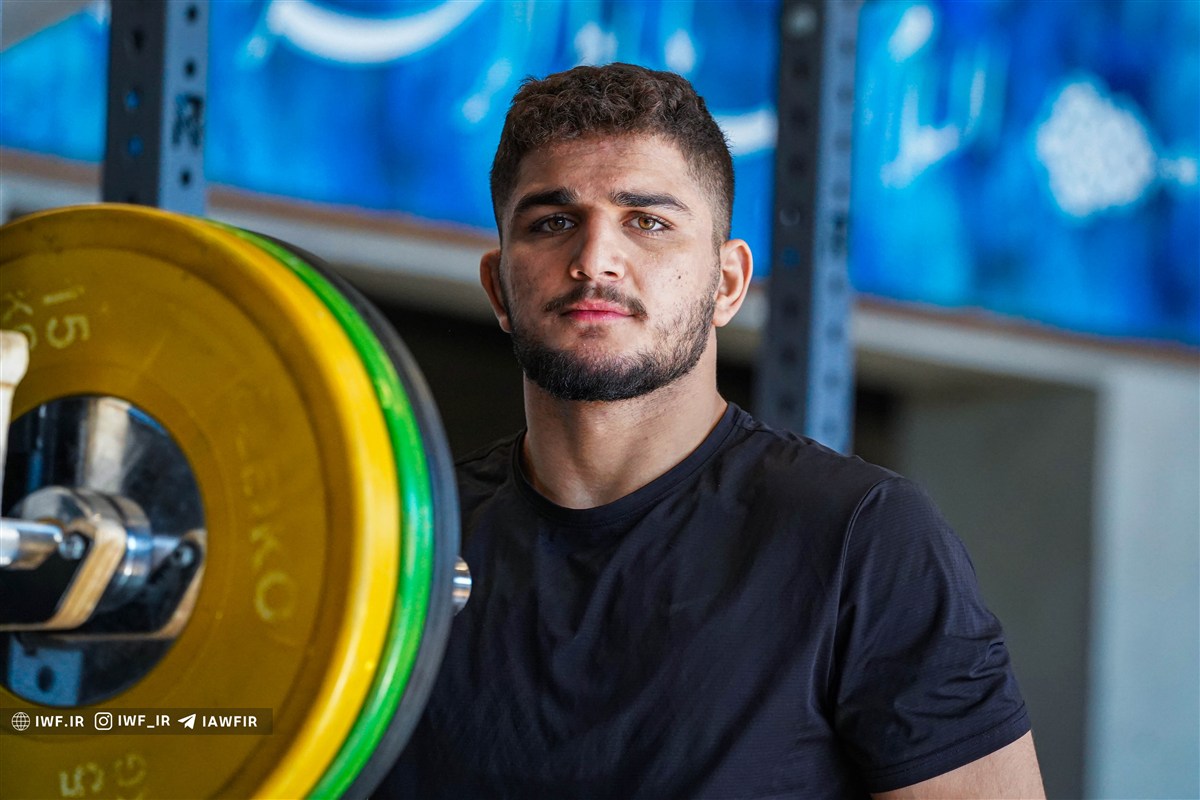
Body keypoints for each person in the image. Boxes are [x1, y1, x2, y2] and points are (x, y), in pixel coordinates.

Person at [382, 63, 1044, 799]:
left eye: (648, 221)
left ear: (727, 283)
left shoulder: (861, 539)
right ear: (499, 287)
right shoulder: (409, 541)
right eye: (553, 222)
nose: (595, 259)